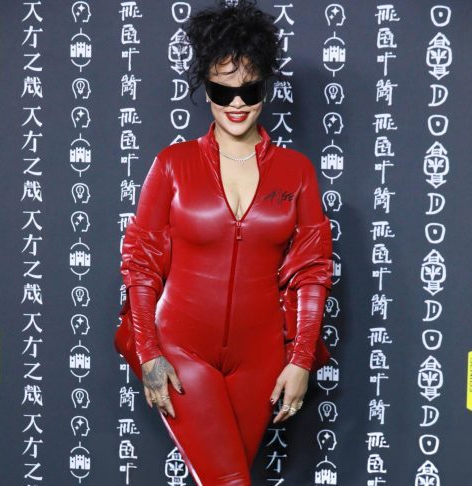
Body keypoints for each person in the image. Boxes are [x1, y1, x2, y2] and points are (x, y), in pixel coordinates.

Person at [118, 1, 333, 484]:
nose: (237, 104)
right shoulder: (172, 164)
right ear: (205, 88)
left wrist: (300, 361)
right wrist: (148, 352)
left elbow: (312, 271)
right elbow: (141, 263)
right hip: (181, 349)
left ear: (265, 88)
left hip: (261, 358)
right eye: (222, 90)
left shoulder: (296, 171)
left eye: (249, 90)